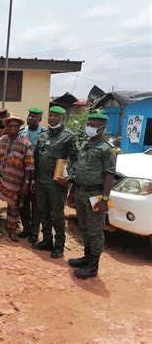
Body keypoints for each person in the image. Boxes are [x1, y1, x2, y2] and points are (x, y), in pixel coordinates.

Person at [67, 112, 116, 279]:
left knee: (95, 231)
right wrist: (72, 192)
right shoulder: (87, 145)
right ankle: (86, 257)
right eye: (89, 124)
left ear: (102, 128)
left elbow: (109, 175)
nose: (90, 127)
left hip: (96, 194)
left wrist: (105, 199)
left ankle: (93, 265)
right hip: (81, 192)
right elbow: (79, 169)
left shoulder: (107, 149)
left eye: (94, 125)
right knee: (84, 227)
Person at [32, 106, 78, 259]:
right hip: (41, 181)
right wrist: (34, 178)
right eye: (50, 115)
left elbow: (75, 160)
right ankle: (46, 240)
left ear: (62, 118)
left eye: (55, 116)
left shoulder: (69, 136)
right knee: (42, 212)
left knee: (57, 215)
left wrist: (69, 178)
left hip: (57, 183)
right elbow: (37, 158)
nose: (51, 118)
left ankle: (59, 246)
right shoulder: (43, 135)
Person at [18, 107, 45, 244]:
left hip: (37, 174)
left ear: (40, 119)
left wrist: (34, 178)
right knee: (23, 202)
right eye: (29, 115)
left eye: (34, 116)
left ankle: (34, 232)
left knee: (36, 205)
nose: (30, 118)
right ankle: (26, 228)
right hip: (22, 173)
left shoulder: (44, 135)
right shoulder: (22, 132)